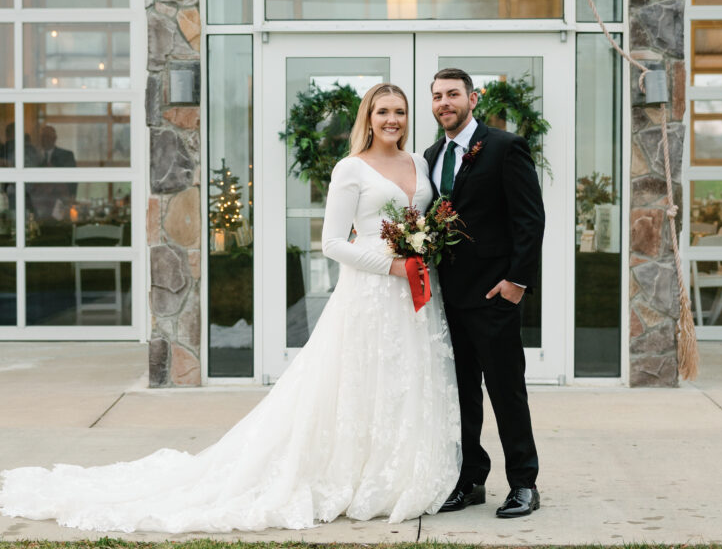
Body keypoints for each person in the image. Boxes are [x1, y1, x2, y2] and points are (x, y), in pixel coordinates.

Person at [0, 83, 459, 533]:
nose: (392, 120)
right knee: (360, 382)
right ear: (368, 117)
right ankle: (357, 475)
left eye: (399, 111)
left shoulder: (419, 161)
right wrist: (391, 266)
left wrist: (422, 254)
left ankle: (398, 471)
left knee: (405, 378)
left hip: (417, 295)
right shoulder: (350, 169)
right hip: (371, 294)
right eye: (382, 112)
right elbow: (332, 243)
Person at [425, 67, 545, 519]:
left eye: (452, 94)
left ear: (473, 99)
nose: (444, 103)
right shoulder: (433, 154)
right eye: (437, 96)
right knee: (460, 395)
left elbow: (530, 219)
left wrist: (517, 281)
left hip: (495, 296)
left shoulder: (504, 147)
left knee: (505, 391)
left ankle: (524, 484)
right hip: (447, 299)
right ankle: (471, 479)